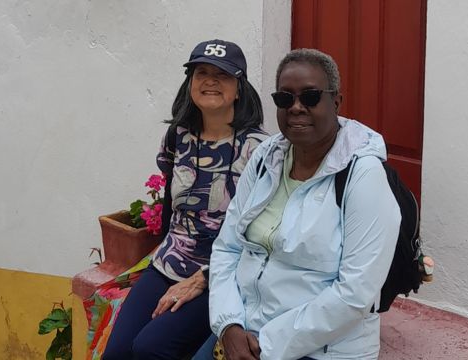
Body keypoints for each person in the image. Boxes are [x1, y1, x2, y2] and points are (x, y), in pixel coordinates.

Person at [195, 48, 401, 360]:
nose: (296, 107)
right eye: (284, 98)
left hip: (323, 349)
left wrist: (268, 343)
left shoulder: (363, 176)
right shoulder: (266, 157)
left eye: (311, 97)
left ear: (336, 102)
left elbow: (355, 294)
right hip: (245, 331)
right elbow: (228, 247)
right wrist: (229, 325)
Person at [102, 39, 268, 360]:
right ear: (189, 83)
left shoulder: (261, 150)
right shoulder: (178, 136)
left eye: (222, 75)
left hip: (222, 275)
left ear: (239, 88)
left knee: (151, 348)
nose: (210, 80)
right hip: (169, 263)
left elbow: (261, 235)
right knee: (117, 353)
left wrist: (204, 278)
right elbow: (168, 206)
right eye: (201, 72)